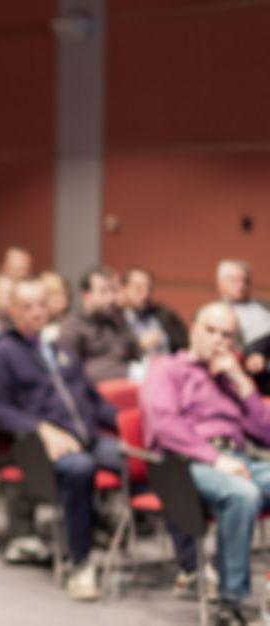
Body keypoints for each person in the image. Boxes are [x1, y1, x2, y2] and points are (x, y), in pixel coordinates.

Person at [0, 278, 121, 601]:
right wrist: (40, 428)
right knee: (80, 468)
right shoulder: (0, 354)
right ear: (12, 311)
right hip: (37, 449)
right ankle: (79, 563)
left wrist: (126, 424)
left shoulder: (59, 349)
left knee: (149, 460)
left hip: (89, 438)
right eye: (27, 307)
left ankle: (188, 566)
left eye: (42, 304)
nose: (37, 313)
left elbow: (92, 398)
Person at [141, 301, 270, 624]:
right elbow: (165, 424)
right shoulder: (167, 368)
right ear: (194, 329)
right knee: (243, 494)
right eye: (211, 330)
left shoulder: (227, 377)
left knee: (245, 486)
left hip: (238, 457)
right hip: (186, 463)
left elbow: (265, 434)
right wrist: (215, 459)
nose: (219, 341)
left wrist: (242, 382)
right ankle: (230, 600)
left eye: (227, 335)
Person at [56, 267, 141, 383]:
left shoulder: (116, 320)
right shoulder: (71, 326)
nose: (111, 298)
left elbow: (136, 354)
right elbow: (73, 372)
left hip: (126, 385)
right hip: (94, 392)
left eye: (113, 291)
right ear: (86, 295)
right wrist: (129, 371)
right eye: (103, 291)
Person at [216, 259, 270, 392]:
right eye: (234, 281)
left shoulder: (265, 307)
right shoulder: (214, 312)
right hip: (241, 367)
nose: (241, 285)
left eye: (245, 281)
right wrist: (248, 356)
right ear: (220, 283)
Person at [120, 266, 188, 357]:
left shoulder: (165, 316)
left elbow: (183, 347)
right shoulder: (114, 321)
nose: (145, 294)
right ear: (124, 289)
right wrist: (139, 345)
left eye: (149, 288)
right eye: (138, 288)